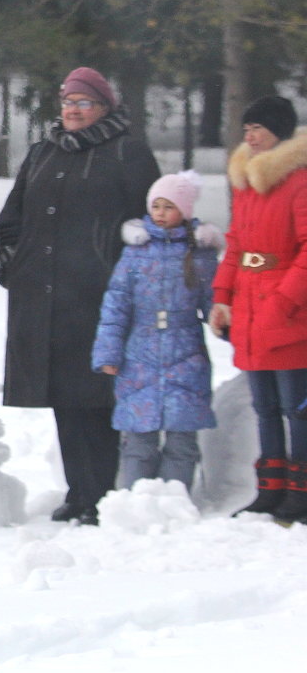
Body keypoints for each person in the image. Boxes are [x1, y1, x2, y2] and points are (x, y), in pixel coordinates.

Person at [0, 66, 160, 525]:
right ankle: (79, 491)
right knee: (63, 396)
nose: (72, 110)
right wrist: (11, 262)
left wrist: (129, 278)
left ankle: (104, 494)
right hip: (43, 297)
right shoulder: (44, 152)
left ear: (103, 107)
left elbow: (151, 221)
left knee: (97, 395)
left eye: (83, 103)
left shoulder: (129, 151)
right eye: (67, 102)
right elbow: (13, 216)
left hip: (100, 297)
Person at [92, 171, 223, 491]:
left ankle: (175, 501)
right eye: (156, 206)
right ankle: (136, 500)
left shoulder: (200, 256)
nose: (161, 214)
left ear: (185, 211)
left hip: (187, 355)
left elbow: (215, 303)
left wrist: (231, 327)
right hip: (139, 355)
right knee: (139, 438)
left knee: (182, 438)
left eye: (169, 207)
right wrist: (108, 351)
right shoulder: (135, 252)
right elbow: (116, 305)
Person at [208, 95, 307, 522]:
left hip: (286, 310)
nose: (249, 136)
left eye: (258, 129)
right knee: (263, 406)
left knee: (295, 407)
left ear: (278, 132)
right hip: (249, 307)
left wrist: (285, 300)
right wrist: (221, 298)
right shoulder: (247, 181)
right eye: (246, 130)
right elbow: (236, 247)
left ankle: (300, 493)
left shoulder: (299, 181)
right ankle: (270, 489)